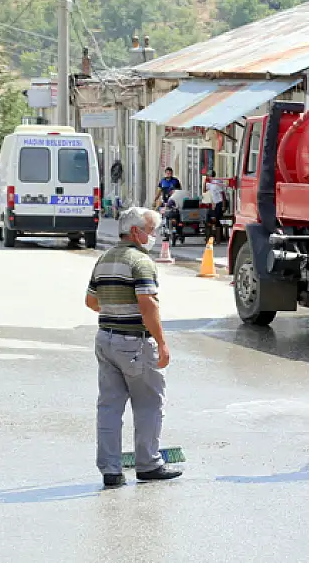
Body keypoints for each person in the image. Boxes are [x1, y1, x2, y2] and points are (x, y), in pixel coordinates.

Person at [85, 207, 183, 487]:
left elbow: (91, 302)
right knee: (149, 404)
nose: (153, 236)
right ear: (136, 232)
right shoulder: (140, 262)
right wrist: (162, 343)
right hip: (135, 343)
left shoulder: (104, 259)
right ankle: (148, 464)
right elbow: (148, 303)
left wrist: (115, 309)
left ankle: (111, 470)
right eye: (151, 231)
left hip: (105, 339)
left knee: (109, 407)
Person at [203, 170, 226, 243]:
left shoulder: (216, 183)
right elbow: (204, 190)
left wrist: (224, 205)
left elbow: (222, 194)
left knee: (216, 219)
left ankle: (219, 236)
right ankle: (216, 235)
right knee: (211, 218)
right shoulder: (210, 183)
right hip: (215, 204)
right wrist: (204, 181)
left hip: (220, 203)